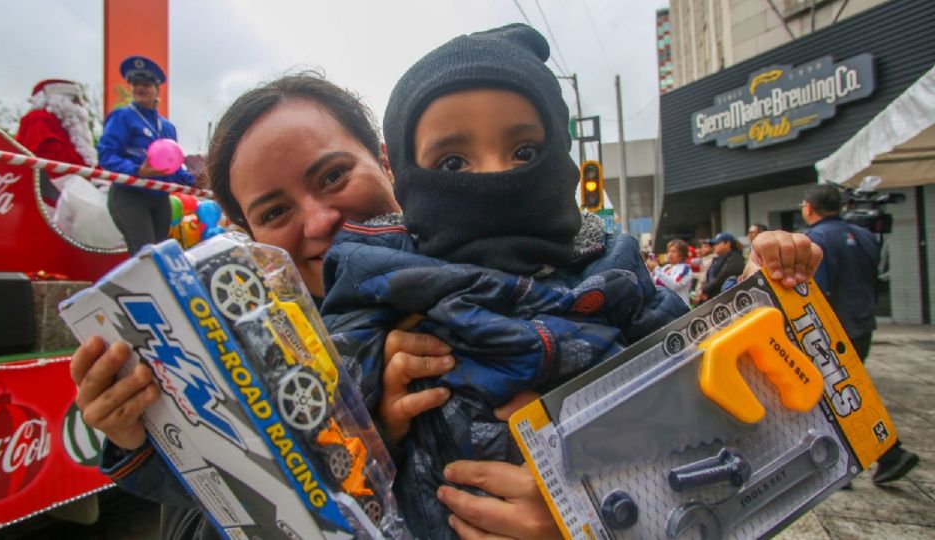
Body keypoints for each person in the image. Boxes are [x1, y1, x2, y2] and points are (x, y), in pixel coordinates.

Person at [70, 69, 820, 540]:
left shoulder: (558, 270)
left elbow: (739, 432)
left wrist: (589, 503)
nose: (319, 221)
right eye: (273, 211)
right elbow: (240, 507)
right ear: (247, 233)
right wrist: (139, 423)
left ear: (390, 163)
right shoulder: (241, 359)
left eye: (333, 175)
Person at [801, 185, 919, 485]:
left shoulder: (815, 239)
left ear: (809, 208)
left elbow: (812, 292)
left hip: (830, 330)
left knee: (834, 396)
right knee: (846, 391)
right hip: (863, 321)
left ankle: (880, 455)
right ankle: (879, 456)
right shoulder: (865, 235)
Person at [98, 55, 194, 254]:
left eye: (146, 84)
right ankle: (140, 286)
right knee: (145, 253)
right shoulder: (122, 117)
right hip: (130, 195)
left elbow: (172, 169)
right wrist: (137, 170)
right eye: (135, 84)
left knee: (160, 255)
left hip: (159, 199)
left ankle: (154, 286)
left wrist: (194, 178)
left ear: (156, 89)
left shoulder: (167, 127)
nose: (140, 88)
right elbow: (106, 156)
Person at [15, 79, 97, 208]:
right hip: (51, 196)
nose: (80, 105)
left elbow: (87, 162)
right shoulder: (39, 118)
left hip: (75, 190)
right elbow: (48, 160)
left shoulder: (70, 127)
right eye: (74, 100)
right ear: (58, 100)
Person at [695, 231, 745, 304]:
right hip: (714, 298)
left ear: (727, 244)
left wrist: (706, 291)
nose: (714, 246)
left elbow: (723, 276)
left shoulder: (734, 258)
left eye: (717, 243)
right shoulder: (718, 258)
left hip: (728, 299)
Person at [647, 239, 693, 304]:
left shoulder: (686, 269)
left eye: (674, 252)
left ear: (682, 254)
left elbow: (674, 285)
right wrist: (650, 270)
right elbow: (652, 285)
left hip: (679, 308)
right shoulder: (665, 268)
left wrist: (656, 268)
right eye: (669, 251)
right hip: (662, 307)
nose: (670, 254)